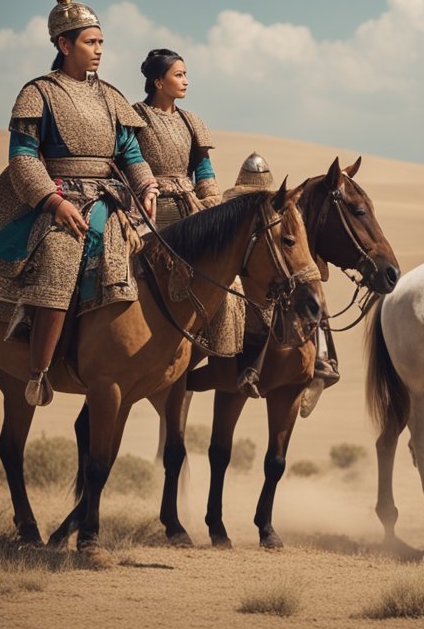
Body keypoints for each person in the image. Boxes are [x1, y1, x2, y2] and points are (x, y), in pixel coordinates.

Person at [0, 0, 157, 407]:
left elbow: (130, 150)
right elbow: (23, 157)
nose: (98, 51)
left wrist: (147, 185)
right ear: (64, 43)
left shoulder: (111, 96)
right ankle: (39, 370)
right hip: (56, 198)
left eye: (102, 43)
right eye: (91, 42)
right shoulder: (38, 93)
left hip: (112, 199)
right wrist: (54, 202)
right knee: (60, 256)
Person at [223, 153, 340, 392]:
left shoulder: (277, 215)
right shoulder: (231, 213)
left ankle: (323, 356)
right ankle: (248, 366)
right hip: (238, 270)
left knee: (312, 287)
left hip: (269, 269)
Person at [131, 49, 220, 223]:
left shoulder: (192, 121)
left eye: (185, 75)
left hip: (189, 209)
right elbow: (128, 160)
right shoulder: (135, 116)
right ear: (159, 82)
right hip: (147, 210)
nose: (186, 81)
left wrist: (213, 205)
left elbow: (203, 168)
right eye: (179, 75)